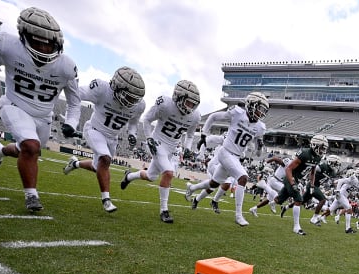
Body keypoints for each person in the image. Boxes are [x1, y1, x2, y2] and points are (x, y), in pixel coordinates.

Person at [0, 7, 81, 212]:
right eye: (38, 42)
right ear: (24, 36)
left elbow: (74, 100)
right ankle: (31, 195)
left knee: (27, 150)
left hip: (43, 116)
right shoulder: (8, 46)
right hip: (14, 104)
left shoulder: (66, 66)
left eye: (49, 44)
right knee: (30, 146)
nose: (45, 48)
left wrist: (71, 123)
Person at [63, 67, 146, 213]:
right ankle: (106, 200)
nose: (131, 101)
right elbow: (76, 94)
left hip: (112, 138)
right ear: (116, 87)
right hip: (94, 130)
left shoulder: (139, 105)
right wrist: (70, 119)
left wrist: (132, 134)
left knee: (98, 166)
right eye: (129, 96)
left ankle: (75, 163)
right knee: (105, 159)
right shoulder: (102, 89)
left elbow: (133, 123)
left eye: (134, 98)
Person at [121, 80, 201, 223]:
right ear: (178, 97)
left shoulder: (195, 116)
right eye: (188, 102)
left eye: (193, 104)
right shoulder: (165, 104)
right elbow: (147, 120)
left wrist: (188, 148)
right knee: (169, 172)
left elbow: (189, 135)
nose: (190, 107)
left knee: (151, 176)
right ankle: (164, 210)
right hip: (157, 142)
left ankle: (129, 176)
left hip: (171, 148)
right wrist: (149, 138)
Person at [185, 92, 268, 226]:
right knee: (243, 178)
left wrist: (259, 147)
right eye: (260, 108)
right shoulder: (237, 113)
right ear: (251, 105)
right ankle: (238, 215)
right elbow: (213, 117)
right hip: (225, 152)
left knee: (214, 184)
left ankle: (192, 188)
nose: (261, 112)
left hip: (236, 157)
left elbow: (257, 154)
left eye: (263, 110)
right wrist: (204, 134)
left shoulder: (260, 127)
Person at [266, 135, 329, 235]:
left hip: (298, 179)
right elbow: (288, 169)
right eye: (321, 147)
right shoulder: (305, 153)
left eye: (324, 148)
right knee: (299, 200)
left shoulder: (317, 157)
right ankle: (296, 227)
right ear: (315, 145)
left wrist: (312, 185)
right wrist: (292, 182)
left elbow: (312, 172)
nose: (322, 150)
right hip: (290, 177)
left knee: (280, 200)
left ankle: (273, 202)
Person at [318, 166, 359, 234]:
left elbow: (350, 189)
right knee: (349, 208)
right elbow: (341, 180)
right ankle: (348, 228)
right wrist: (337, 191)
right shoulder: (354, 178)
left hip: (343, 196)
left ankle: (318, 218)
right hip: (341, 195)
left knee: (330, 210)